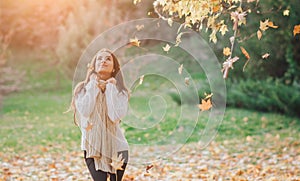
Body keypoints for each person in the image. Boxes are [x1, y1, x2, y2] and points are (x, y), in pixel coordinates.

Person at [69, 48, 129, 181]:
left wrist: (111, 88)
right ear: (94, 65)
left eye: (108, 59)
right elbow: (85, 111)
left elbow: (114, 116)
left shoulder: (121, 92)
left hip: (118, 149)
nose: (104, 61)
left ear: (114, 67)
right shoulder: (82, 89)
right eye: (100, 58)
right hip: (92, 148)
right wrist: (93, 85)